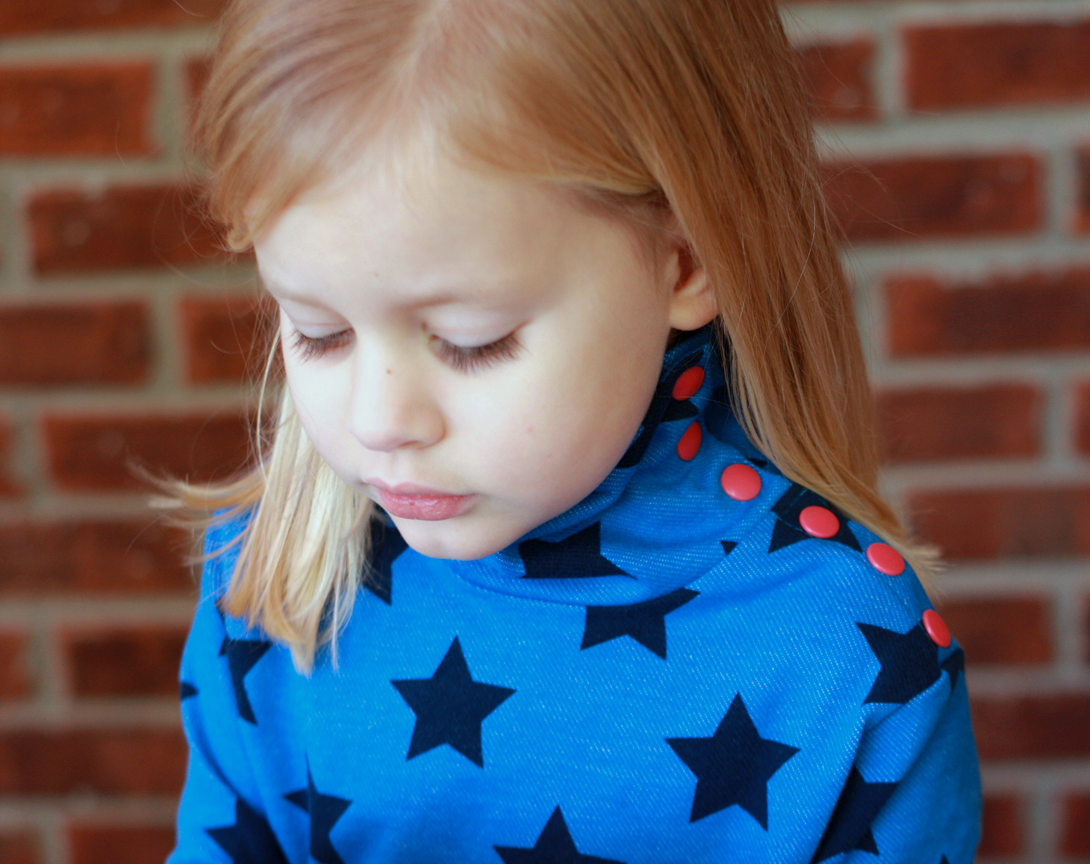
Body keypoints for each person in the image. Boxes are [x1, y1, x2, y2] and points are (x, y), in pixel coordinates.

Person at [161, 0, 981, 861]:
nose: (379, 420)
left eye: (472, 341)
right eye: (317, 332)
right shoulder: (268, 591)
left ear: (686, 261)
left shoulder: (851, 660)